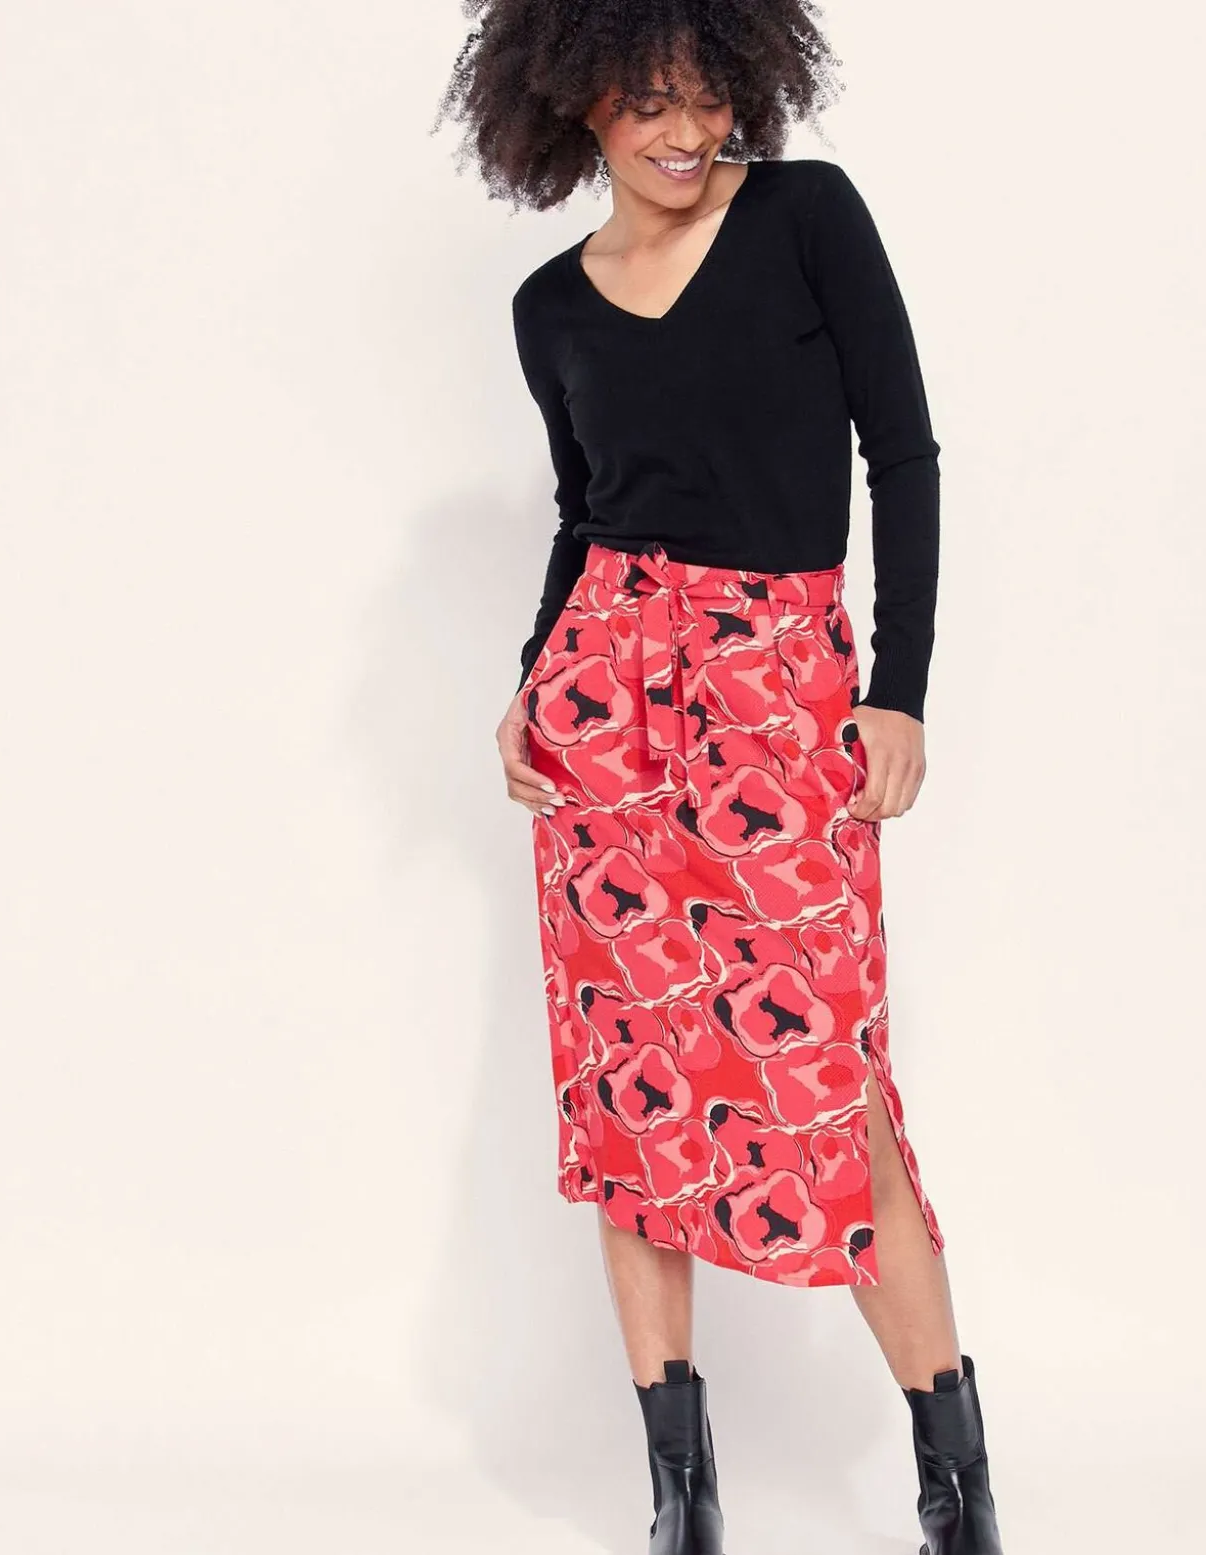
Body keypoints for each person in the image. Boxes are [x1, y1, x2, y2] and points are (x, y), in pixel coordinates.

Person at [437, 7, 1003, 1553]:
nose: (686, 133)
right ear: (575, 106)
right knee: (631, 1093)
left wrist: (899, 688)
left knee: (831, 1082)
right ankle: (681, 1501)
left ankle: (958, 1491)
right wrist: (531, 677)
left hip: (780, 696)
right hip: (604, 714)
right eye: (648, 103)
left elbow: (904, 454)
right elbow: (587, 514)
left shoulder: (807, 217)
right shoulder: (550, 306)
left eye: (706, 98)